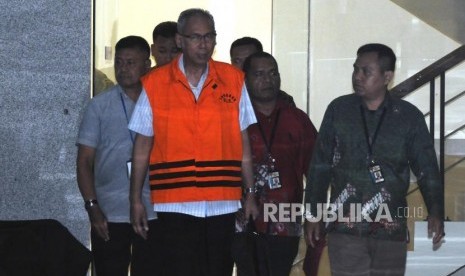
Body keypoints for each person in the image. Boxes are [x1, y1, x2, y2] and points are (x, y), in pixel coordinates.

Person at [128, 8, 259, 276]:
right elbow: (142, 147)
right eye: (196, 37)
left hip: (223, 201)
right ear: (180, 40)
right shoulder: (154, 83)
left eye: (209, 36)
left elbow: (243, 141)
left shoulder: (233, 81)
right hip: (173, 201)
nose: (204, 44)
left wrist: (251, 192)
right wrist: (135, 200)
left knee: (219, 269)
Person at [304, 43, 445, 276]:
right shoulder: (339, 110)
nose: (357, 76)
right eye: (355, 69)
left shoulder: (408, 116)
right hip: (345, 227)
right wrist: (312, 214)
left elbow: (427, 169)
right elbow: (320, 166)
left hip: (390, 229)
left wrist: (436, 211)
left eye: (365, 71)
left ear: (387, 76)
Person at [76, 35, 158, 276]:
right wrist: (92, 207)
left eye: (130, 62)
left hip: (154, 211)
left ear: (147, 65)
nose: (123, 69)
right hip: (110, 213)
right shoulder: (99, 106)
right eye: (119, 62)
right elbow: (84, 162)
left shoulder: (160, 103)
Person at [233, 51, 318, 276]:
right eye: (259, 74)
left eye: (272, 73)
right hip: (244, 220)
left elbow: (316, 171)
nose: (267, 80)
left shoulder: (297, 119)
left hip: (285, 220)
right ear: (246, 79)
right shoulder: (234, 118)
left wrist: (314, 215)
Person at [230, 36, 295, 108]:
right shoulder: (223, 95)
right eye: (237, 61)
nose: (243, 66)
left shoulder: (282, 100)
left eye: (249, 59)